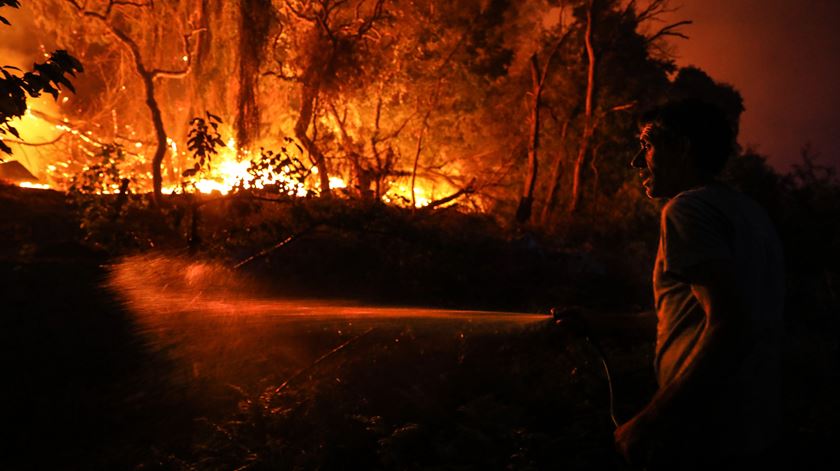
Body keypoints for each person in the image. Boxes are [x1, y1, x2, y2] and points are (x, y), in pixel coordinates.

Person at [614, 99, 785, 470]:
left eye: (647, 145)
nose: (636, 161)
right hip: (755, 429)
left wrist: (649, 420)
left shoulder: (687, 210)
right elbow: (700, 316)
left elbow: (730, 326)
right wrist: (600, 322)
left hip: (705, 436)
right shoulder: (747, 211)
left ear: (682, 148)